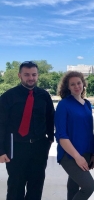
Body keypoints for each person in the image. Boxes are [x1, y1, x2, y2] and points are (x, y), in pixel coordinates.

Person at [0, 61, 54, 200]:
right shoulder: (8, 97)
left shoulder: (44, 96)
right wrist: (1, 150)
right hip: (16, 147)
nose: (31, 78)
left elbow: (50, 118)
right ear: (19, 75)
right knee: (15, 186)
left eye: (34, 74)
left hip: (39, 147)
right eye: (27, 75)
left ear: (38, 75)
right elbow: (1, 124)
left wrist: (49, 140)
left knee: (36, 186)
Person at [55, 71, 94, 200]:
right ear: (68, 87)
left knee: (73, 188)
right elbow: (61, 135)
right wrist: (77, 157)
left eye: (79, 83)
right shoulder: (63, 105)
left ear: (83, 84)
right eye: (73, 84)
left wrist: (93, 153)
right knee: (88, 187)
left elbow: (90, 132)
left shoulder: (87, 104)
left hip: (86, 153)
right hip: (70, 155)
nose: (76, 86)